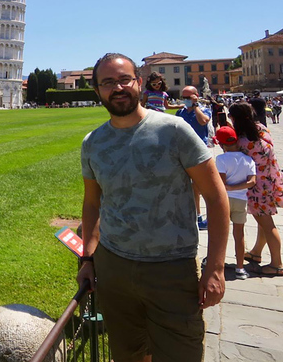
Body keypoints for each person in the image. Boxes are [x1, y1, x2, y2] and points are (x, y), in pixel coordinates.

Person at [78, 53, 229, 362]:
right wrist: (88, 259)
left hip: (171, 270)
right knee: (127, 355)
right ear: (97, 91)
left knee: (180, 355)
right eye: (107, 82)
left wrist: (215, 268)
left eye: (124, 79)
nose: (117, 88)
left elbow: (216, 197)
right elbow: (93, 203)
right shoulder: (92, 143)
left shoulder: (174, 131)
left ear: (139, 83)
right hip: (114, 267)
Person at [228, 101, 283, 276]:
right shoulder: (261, 129)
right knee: (263, 222)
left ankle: (277, 264)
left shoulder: (242, 140)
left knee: (267, 224)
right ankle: (257, 252)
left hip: (256, 186)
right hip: (269, 180)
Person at [214, 125, 257, 280]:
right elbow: (252, 182)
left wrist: (229, 187)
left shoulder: (221, 159)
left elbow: (222, 183)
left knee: (219, 234)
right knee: (239, 235)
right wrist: (237, 187)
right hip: (241, 200)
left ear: (221, 144)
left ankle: (215, 264)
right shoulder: (248, 159)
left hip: (224, 200)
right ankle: (240, 268)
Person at [177, 86, 213, 229]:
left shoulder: (203, 110)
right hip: (182, 150)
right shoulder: (180, 112)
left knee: (200, 186)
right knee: (190, 187)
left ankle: (204, 216)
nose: (186, 100)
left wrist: (196, 106)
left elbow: (203, 121)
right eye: (184, 97)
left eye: (188, 97)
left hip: (199, 151)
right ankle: (197, 216)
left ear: (196, 96)